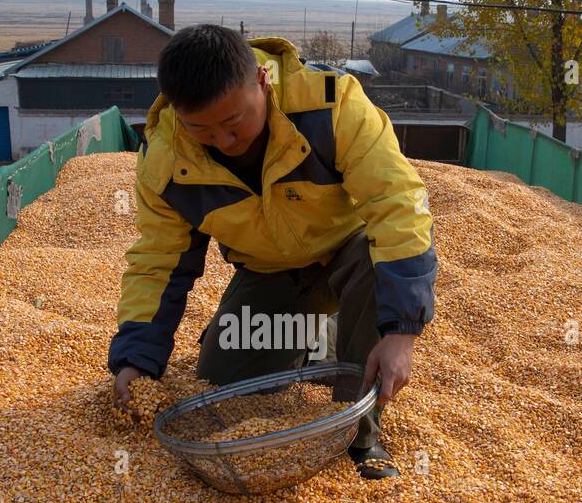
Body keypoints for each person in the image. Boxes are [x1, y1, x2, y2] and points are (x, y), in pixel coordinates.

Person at [108, 24, 436, 479]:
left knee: (370, 260)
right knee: (226, 383)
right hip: (272, 273)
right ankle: (321, 336)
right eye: (201, 128)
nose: (223, 141)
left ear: (262, 82)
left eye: (233, 122)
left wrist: (401, 330)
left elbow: (398, 206)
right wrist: (135, 359)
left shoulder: (331, 106)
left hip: (351, 255)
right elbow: (159, 260)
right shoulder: (165, 160)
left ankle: (360, 435)